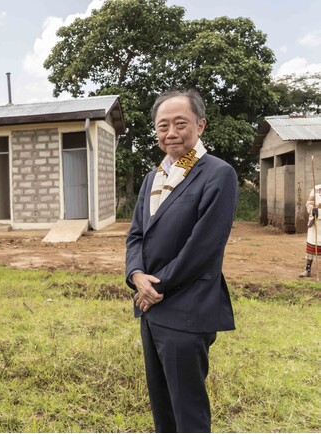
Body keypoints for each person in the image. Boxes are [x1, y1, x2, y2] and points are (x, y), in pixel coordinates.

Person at [125, 89, 238, 433]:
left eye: (180, 124)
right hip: (151, 307)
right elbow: (136, 235)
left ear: (200, 125)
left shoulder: (217, 174)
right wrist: (136, 275)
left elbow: (202, 248)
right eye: (162, 126)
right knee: (162, 404)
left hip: (187, 308)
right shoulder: (153, 177)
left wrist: (156, 287)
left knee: (187, 409)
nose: (171, 133)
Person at [298, 185, 321, 277]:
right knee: (311, 245)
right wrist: (312, 210)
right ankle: (307, 270)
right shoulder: (316, 188)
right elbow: (309, 203)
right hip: (315, 222)